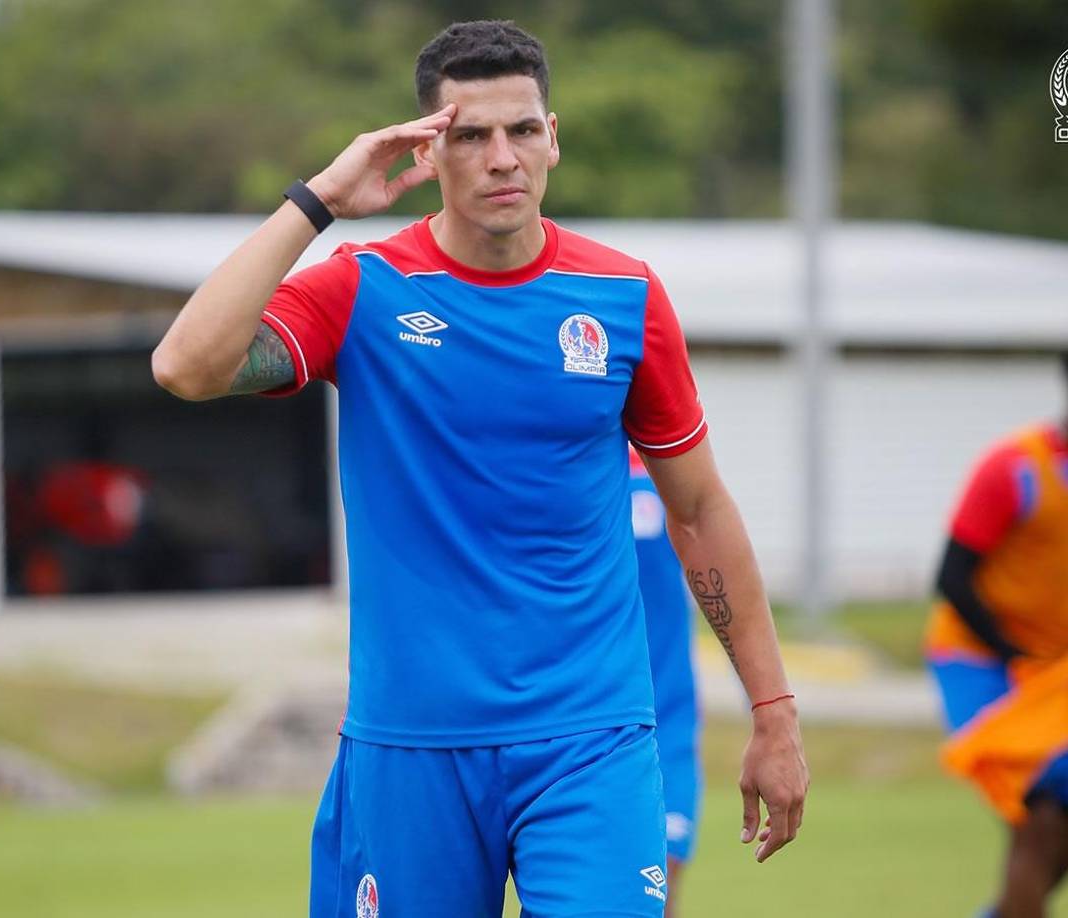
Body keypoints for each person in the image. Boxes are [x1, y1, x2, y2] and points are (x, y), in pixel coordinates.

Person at [153, 20, 807, 917]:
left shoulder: (625, 298)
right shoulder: (362, 286)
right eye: (470, 135)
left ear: (553, 139)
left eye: (523, 130)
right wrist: (318, 203)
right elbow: (186, 366)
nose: (502, 158)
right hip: (410, 746)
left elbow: (698, 511)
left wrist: (773, 712)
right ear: (430, 150)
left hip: (591, 739)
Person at [925, 353, 1068, 918]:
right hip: (980, 660)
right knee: (1038, 810)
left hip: (1052, 668)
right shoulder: (1016, 468)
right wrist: (1012, 651)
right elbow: (951, 576)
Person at [630, 445, 702, 917]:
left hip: (668, 714)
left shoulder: (676, 469)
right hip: (586, 713)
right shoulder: (555, 466)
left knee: (661, 885)